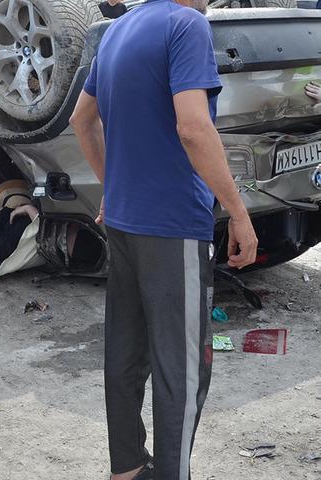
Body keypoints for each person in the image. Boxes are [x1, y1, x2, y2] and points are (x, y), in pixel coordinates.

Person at [69, 0, 258, 479]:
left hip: (126, 222)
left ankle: (127, 469)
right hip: (173, 224)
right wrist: (238, 211)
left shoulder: (116, 31)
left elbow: (80, 120)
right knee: (183, 366)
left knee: (127, 355)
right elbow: (193, 127)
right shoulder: (187, 25)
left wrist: (111, 189)